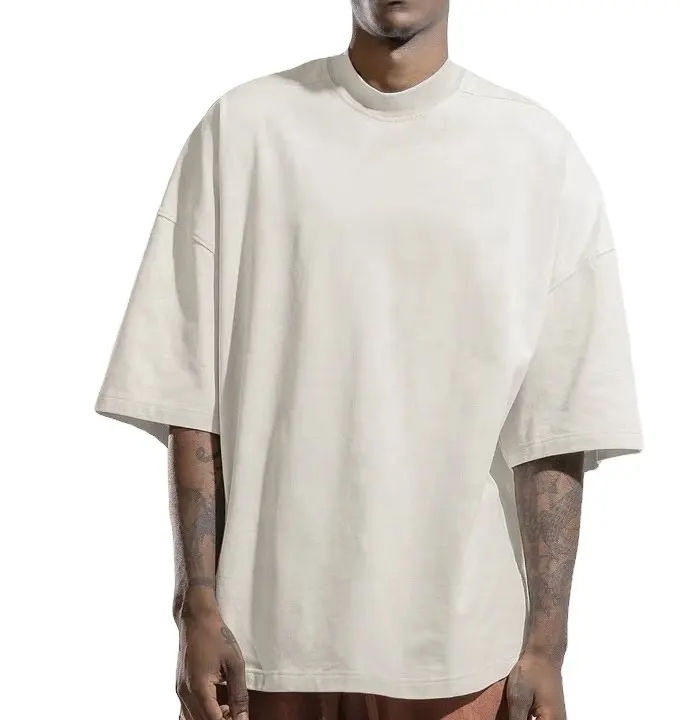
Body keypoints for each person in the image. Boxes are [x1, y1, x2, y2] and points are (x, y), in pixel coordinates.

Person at [94, 1, 644, 718]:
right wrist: (193, 606)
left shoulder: (534, 152)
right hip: (266, 645)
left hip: (461, 652)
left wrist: (547, 645)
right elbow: (187, 392)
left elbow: (557, 421)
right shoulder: (244, 130)